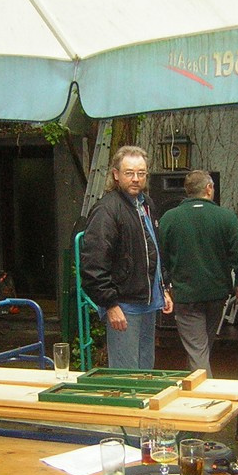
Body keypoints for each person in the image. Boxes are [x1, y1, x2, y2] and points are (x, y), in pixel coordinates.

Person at [79, 145, 173, 368]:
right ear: (116, 174)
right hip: (124, 306)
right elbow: (92, 264)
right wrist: (110, 305)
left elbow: (154, 249)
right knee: (126, 375)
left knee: (145, 372)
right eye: (129, 173)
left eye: (141, 173)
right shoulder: (106, 210)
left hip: (148, 304)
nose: (136, 179)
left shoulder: (146, 204)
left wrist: (163, 287)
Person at [158, 169, 238, 377]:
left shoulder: (169, 218)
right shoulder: (226, 217)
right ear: (209, 188)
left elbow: (161, 257)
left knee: (197, 350)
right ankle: (201, 389)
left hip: (186, 295)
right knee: (201, 348)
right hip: (217, 294)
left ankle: (201, 390)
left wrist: (166, 284)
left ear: (187, 191)